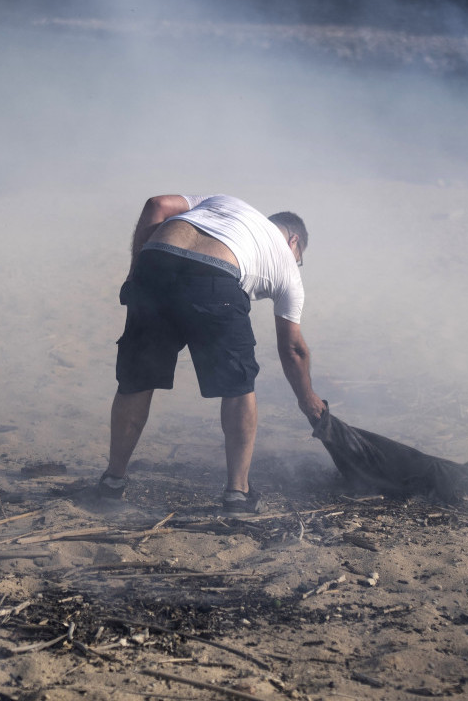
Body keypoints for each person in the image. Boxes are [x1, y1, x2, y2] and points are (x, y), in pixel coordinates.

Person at [99, 194, 325, 514]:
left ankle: (112, 482)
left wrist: (135, 274)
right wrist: (308, 399)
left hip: (154, 263)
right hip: (215, 278)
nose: (296, 261)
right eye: (299, 256)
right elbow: (293, 349)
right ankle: (237, 493)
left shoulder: (224, 201)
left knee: (137, 380)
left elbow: (157, 206)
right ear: (294, 241)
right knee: (238, 386)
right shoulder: (287, 264)